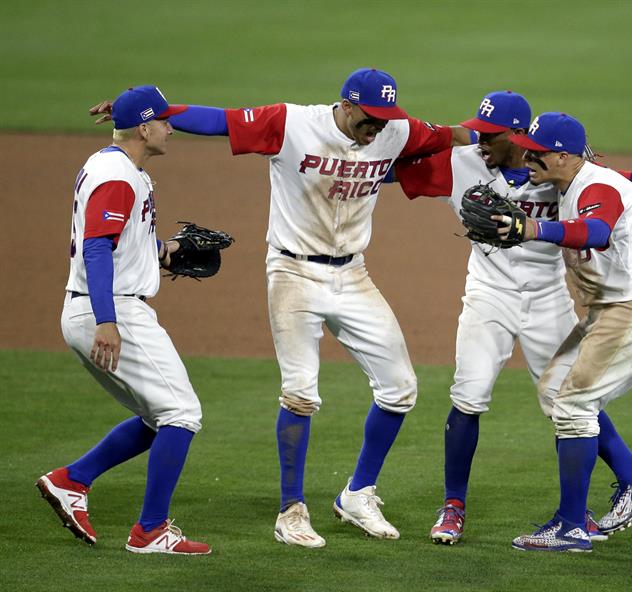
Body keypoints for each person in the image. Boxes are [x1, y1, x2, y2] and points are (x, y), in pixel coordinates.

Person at [90, 68, 472, 548]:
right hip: (292, 274)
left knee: (400, 389)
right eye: (369, 118)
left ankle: (358, 493)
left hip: (353, 274)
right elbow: (219, 122)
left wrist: (502, 136)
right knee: (300, 393)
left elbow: (450, 135)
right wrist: (141, 114)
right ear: (347, 105)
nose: (377, 127)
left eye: (385, 118)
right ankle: (291, 510)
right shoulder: (291, 124)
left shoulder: (397, 130)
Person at [392, 91, 632, 546]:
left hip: (552, 299)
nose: (480, 140)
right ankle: (454, 506)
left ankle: (584, 513)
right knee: (473, 394)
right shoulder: (463, 164)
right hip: (489, 295)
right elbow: (386, 169)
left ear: (519, 137)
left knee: (569, 400)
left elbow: (631, 186)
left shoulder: (557, 172)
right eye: (478, 132)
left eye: (491, 134)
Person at [499, 112, 632, 552]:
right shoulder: (577, 177)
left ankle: (570, 526)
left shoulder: (596, 187)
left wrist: (531, 227)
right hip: (613, 310)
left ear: (563, 156)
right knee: (555, 392)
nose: (528, 157)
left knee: (575, 404)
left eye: (537, 152)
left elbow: (596, 232)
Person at [37, 85, 210, 555]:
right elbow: (96, 246)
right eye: (165, 122)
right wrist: (107, 320)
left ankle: (72, 480)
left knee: (159, 414)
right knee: (182, 414)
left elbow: (121, 242)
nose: (172, 129)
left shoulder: (118, 166)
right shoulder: (119, 177)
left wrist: (167, 252)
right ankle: (150, 531)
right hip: (109, 308)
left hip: (95, 306)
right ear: (144, 128)